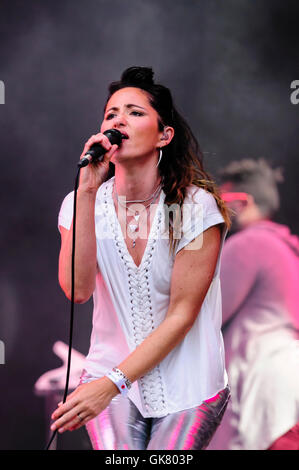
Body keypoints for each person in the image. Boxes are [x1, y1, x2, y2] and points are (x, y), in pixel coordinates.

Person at [50, 66, 231, 450]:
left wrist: (111, 383)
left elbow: (182, 315)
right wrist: (86, 192)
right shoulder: (82, 204)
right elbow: (78, 291)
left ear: (164, 135)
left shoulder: (191, 208)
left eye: (135, 112)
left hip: (188, 383)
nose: (119, 120)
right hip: (106, 378)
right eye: (111, 114)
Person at [207, 158, 299, 450]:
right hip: (287, 390)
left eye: (222, 202)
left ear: (243, 202)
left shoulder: (250, 243)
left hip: (261, 386)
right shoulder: (288, 249)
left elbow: (204, 318)